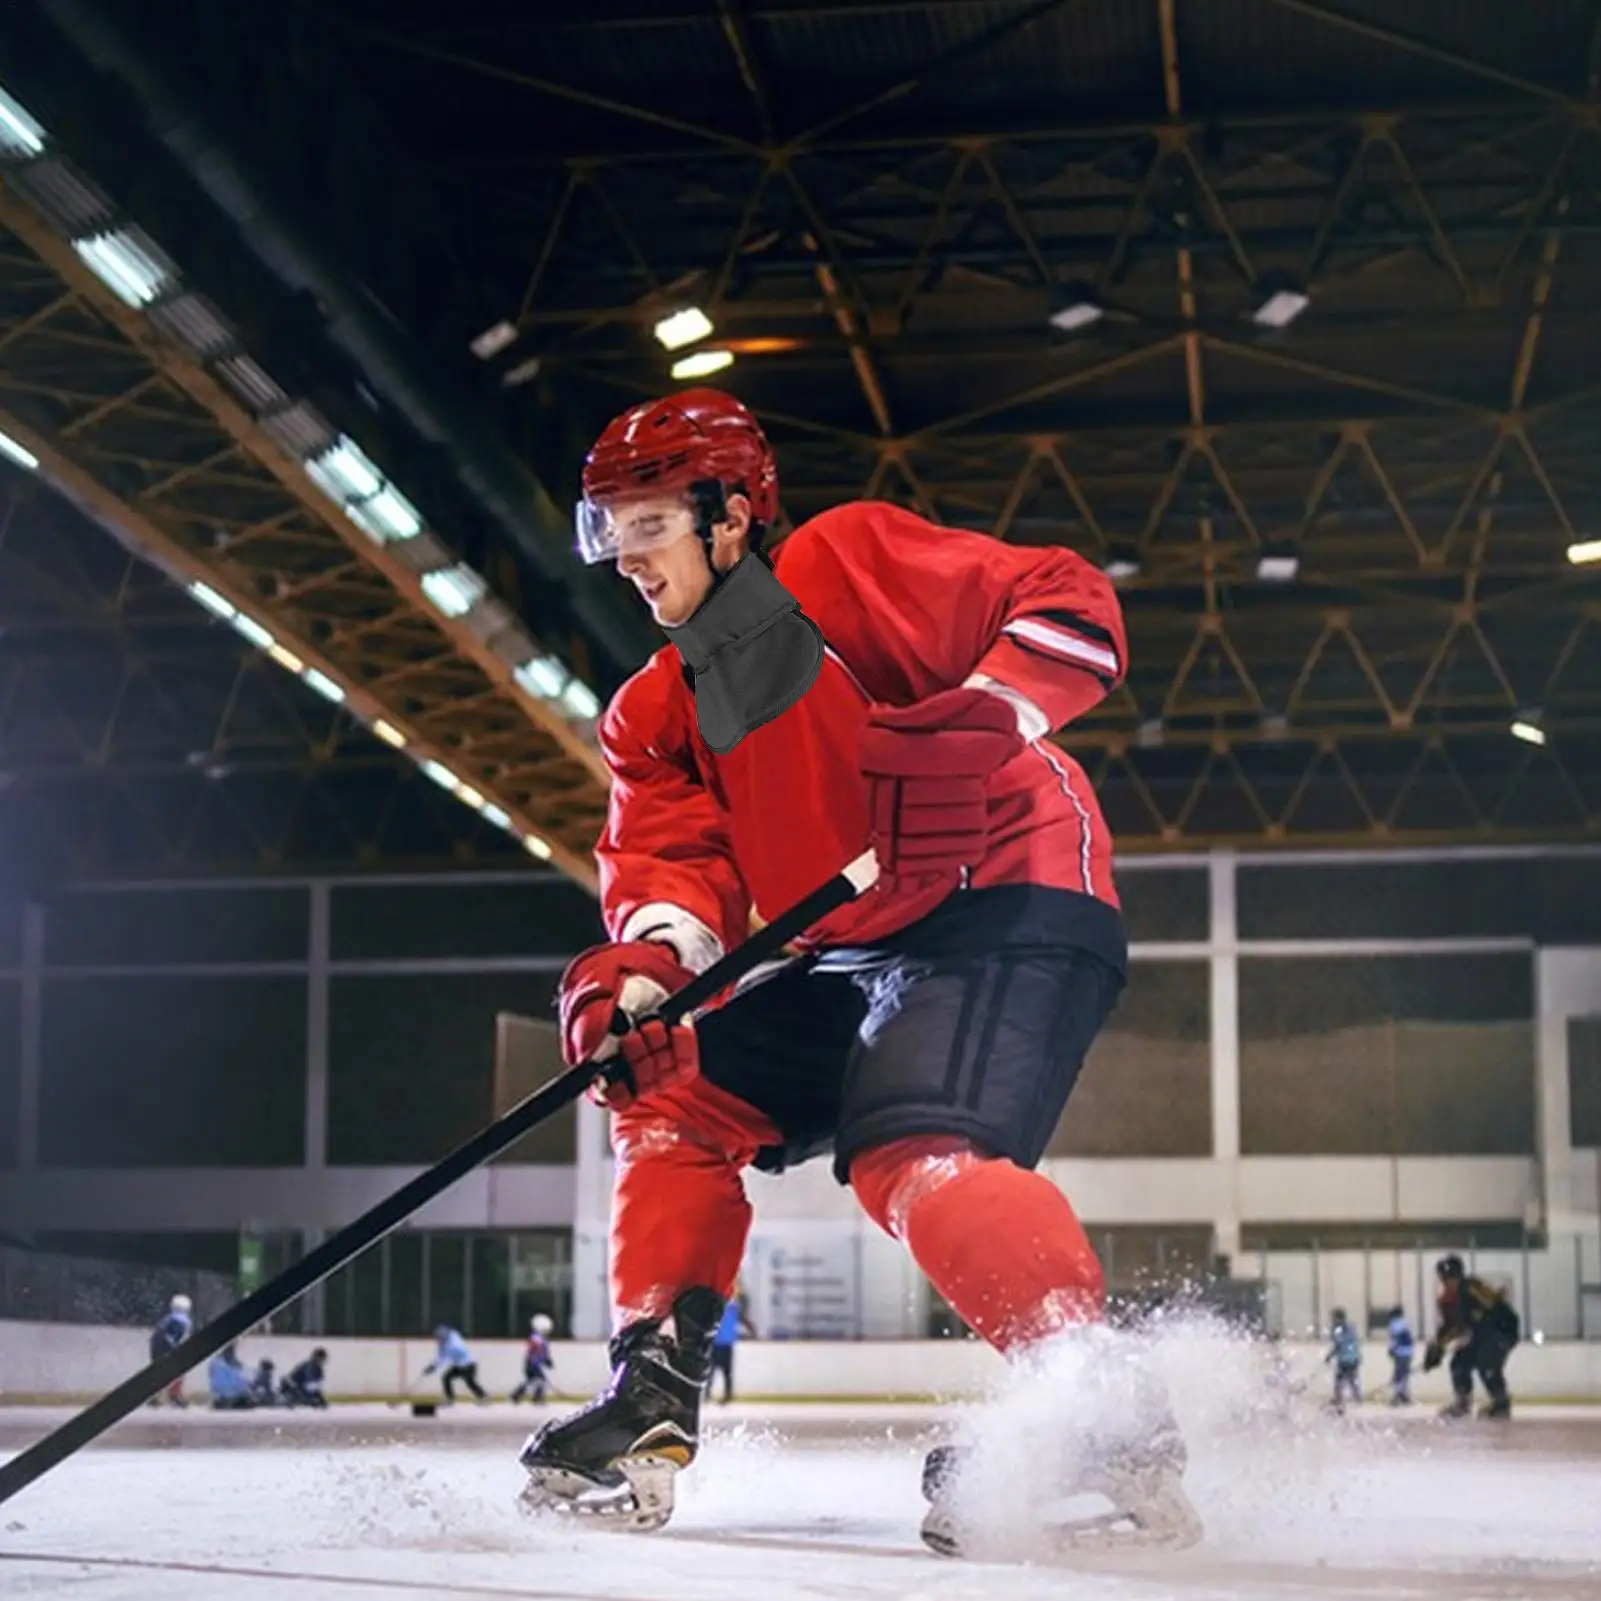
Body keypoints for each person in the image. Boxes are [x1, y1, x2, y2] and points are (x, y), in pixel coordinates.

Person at [518, 389, 1197, 1556]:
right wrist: (640, 988)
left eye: (646, 526)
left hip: (1009, 887)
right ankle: (650, 1394)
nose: (624, 560)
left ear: (728, 516)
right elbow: (673, 878)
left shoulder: (849, 562)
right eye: (607, 532)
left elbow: (1069, 606)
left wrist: (987, 713)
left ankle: (1104, 1422)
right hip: (852, 937)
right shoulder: (651, 717)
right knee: (667, 1083)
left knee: (909, 1151)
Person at [1423, 1255, 1519, 1419]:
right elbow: (1450, 1327)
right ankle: (1462, 1402)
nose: (1448, 1283)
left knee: (1488, 1362)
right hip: (1481, 1336)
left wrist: (1479, 1322)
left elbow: (1496, 1305)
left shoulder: (1472, 1287)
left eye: (1452, 1278)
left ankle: (1501, 1403)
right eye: (1445, 1279)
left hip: (1502, 1331)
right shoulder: (1447, 1302)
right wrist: (1438, 1347)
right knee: (1460, 1361)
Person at [147, 1293, 192, 1408]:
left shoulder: (167, 1318)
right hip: (167, 1348)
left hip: (156, 1348)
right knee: (179, 1371)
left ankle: (155, 1396)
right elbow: (175, 1338)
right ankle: (174, 1395)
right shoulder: (182, 1321)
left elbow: (158, 1335)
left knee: (159, 1372)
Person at [424, 1325, 486, 1403]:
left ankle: (483, 1397)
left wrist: (433, 1367)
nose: (437, 1340)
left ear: (444, 1337)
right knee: (446, 1378)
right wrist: (432, 1366)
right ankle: (450, 1398)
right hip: (458, 1365)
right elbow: (440, 1354)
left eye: (439, 1337)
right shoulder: (450, 1336)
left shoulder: (452, 1345)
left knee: (470, 1383)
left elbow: (442, 1357)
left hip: (468, 1365)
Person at [708, 1297, 749, 1404]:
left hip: (724, 1343)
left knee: (725, 1372)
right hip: (717, 1343)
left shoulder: (732, 1308)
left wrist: (751, 1329)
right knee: (713, 1371)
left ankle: (727, 1395)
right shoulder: (719, 1307)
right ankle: (708, 1395)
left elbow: (743, 1317)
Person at [511, 1315, 556, 1404]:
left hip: (532, 1363)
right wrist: (545, 1359)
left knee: (531, 1381)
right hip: (533, 1363)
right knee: (540, 1380)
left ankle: (516, 1395)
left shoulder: (539, 1338)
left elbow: (541, 1351)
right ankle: (537, 1397)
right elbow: (538, 1350)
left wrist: (546, 1359)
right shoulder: (536, 1338)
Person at [1324, 1309, 1362, 1413]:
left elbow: (1338, 1345)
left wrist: (1329, 1356)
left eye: (1333, 1318)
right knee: (1352, 1379)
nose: (1332, 1320)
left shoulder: (1337, 1330)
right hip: (1353, 1357)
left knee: (1340, 1381)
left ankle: (1339, 1400)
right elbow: (1355, 1343)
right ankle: (1357, 1398)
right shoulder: (1351, 1328)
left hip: (1345, 1359)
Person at [207, 1342, 254, 1410]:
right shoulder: (217, 1363)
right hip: (223, 1397)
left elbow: (242, 1385)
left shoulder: (237, 1365)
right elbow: (217, 1383)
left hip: (231, 1397)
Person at [1387, 1306, 1414, 1406]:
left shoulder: (1394, 1324)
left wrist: (1391, 1350)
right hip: (1408, 1352)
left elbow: (1395, 1339)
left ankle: (1398, 1396)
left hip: (1400, 1352)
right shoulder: (1406, 1323)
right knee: (1405, 1374)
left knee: (1398, 1374)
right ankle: (1405, 1394)